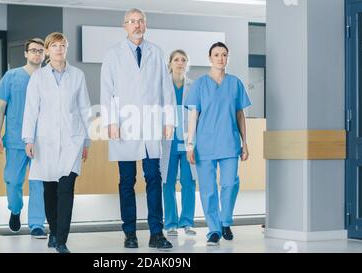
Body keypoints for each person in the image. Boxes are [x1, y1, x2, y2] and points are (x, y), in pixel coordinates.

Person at [100, 8, 176, 250]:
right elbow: (106, 90)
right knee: (126, 181)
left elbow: (167, 90)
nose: (137, 25)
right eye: (132, 21)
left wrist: (169, 120)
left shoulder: (156, 52)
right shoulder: (113, 54)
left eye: (141, 21)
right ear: (125, 26)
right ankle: (129, 233)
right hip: (125, 126)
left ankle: (157, 233)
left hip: (152, 125)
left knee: (154, 178)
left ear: (146, 24)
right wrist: (111, 121)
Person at [22, 32, 91, 253]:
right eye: (55, 46)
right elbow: (31, 110)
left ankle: (61, 240)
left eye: (63, 45)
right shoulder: (39, 77)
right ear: (48, 50)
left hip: (72, 141)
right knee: (49, 190)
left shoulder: (77, 75)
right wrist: (28, 139)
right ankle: (53, 230)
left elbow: (85, 109)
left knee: (66, 188)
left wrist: (87, 140)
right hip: (46, 141)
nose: (59, 49)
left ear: (66, 49)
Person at [185, 42, 251, 246]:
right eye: (216, 55)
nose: (220, 58)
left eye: (224, 55)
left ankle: (225, 220)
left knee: (230, 184)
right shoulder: (199, 84)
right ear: (209, 58)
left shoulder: (235, 83)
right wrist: (189, 144)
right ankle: (214, 229)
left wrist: (245, 142)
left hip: (230, 143)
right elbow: (193, 115)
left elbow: (240, 114)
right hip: (205, 144)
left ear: (227, 58)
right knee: (208, 189)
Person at [0, 38, 47, 239]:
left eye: (40, 51)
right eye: (33, 50)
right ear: (25, 53)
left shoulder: (48, 77)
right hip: (16, 139)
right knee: (13, 181)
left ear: (45, 54)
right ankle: (15, 210)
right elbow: (0, 106)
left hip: (41, 140)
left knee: (38, 183)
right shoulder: (12, 76)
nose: (36, 54)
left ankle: (36, 224)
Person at [160, 49, 197, 237]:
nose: (180, 62)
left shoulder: (193, 86)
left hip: (187, 141)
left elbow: (198, 113)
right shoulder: (162, 86)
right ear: (170, 63)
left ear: (187, 64)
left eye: (183, 59)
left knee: (189, 182)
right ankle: (171, 223)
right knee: (167, 182)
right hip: (168, 140)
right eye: (176, 59)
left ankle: (187, 222)